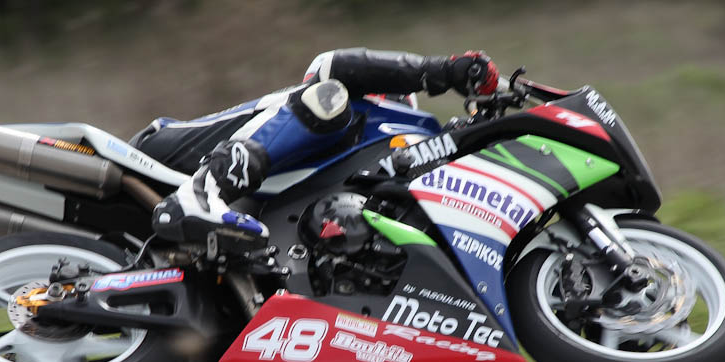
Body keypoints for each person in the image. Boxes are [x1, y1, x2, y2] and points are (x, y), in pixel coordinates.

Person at [151, 48, 499, 248]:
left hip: (242, 210)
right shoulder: (328, 100)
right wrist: (441, 71)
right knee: (328, 100)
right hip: (167, 152)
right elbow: (332, 65)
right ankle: (200, 193)